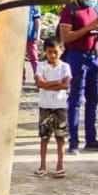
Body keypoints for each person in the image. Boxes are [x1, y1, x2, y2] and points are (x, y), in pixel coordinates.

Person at [59, 0, 98, 154]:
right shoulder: (70, 10)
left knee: (93, 99)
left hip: (94, 56)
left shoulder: (94, 10)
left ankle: (91, 139)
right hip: (76, 56)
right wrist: (89, 27)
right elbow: (66, 37)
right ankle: (73, 141)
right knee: (75, 99)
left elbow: (93, 30)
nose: (94, 0)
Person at [34, 37, 72, 178]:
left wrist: (47, 84)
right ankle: (42, 165)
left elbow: (65, 85)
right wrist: (56, 83)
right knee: (44, 137)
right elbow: (39, 84)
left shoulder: (65, 67)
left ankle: (60, 166)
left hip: (60, 106)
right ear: (45, 52)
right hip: (45, 106)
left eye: (55, 52)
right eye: (50, 52)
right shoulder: (41, 65)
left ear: (61, 51)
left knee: (60, 137)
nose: (53, 55)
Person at [26, 3, 42, 80]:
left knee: (34, 57)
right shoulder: (17, 3)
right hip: (18, 37)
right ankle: (21, 78)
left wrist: (38, 35)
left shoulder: (33, 5)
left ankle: (38, 77)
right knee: (18, 58)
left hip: (31, 37)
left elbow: (37, 20)